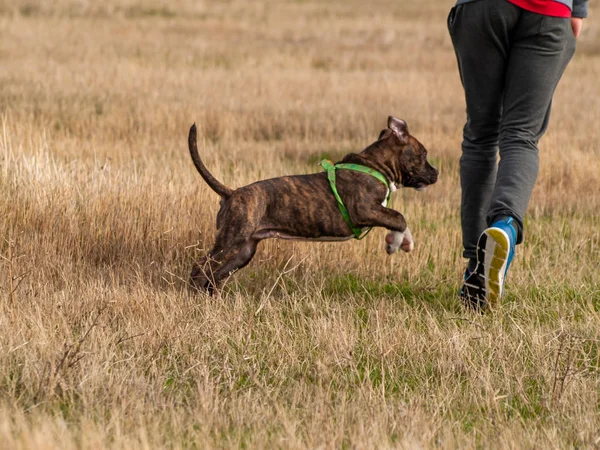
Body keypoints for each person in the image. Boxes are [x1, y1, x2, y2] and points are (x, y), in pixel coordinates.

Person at [447, 0, 588, 309]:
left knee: (481, 136)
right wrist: (578, 8)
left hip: (484, 9)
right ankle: (505, 226)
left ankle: (475, 268)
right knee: (521, 136)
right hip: (550, 11)